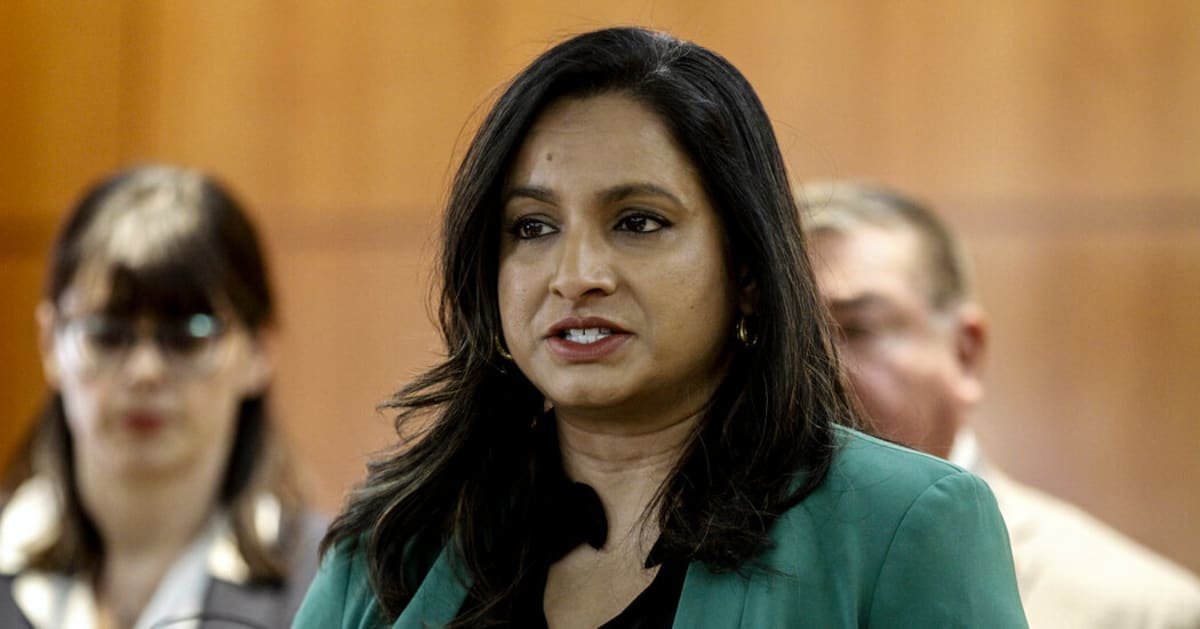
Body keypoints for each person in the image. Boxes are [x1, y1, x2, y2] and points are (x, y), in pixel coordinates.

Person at [294, 27, 1028, 628]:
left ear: (746, 269)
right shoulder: (396, 537)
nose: (576, 273)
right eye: (533, 226)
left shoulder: (901, 524)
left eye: (638, 221)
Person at [799, 180, 1200, 628]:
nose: (811, 370)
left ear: (965, 352)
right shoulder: (724, 580)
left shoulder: (1144, 613)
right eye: (787, 340)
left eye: (855, 328)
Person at [0, 165, 326, 628]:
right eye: (108, 334)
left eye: (189, 335)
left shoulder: (329, 587)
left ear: (259, 351)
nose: (145, 371)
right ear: (51, 342)